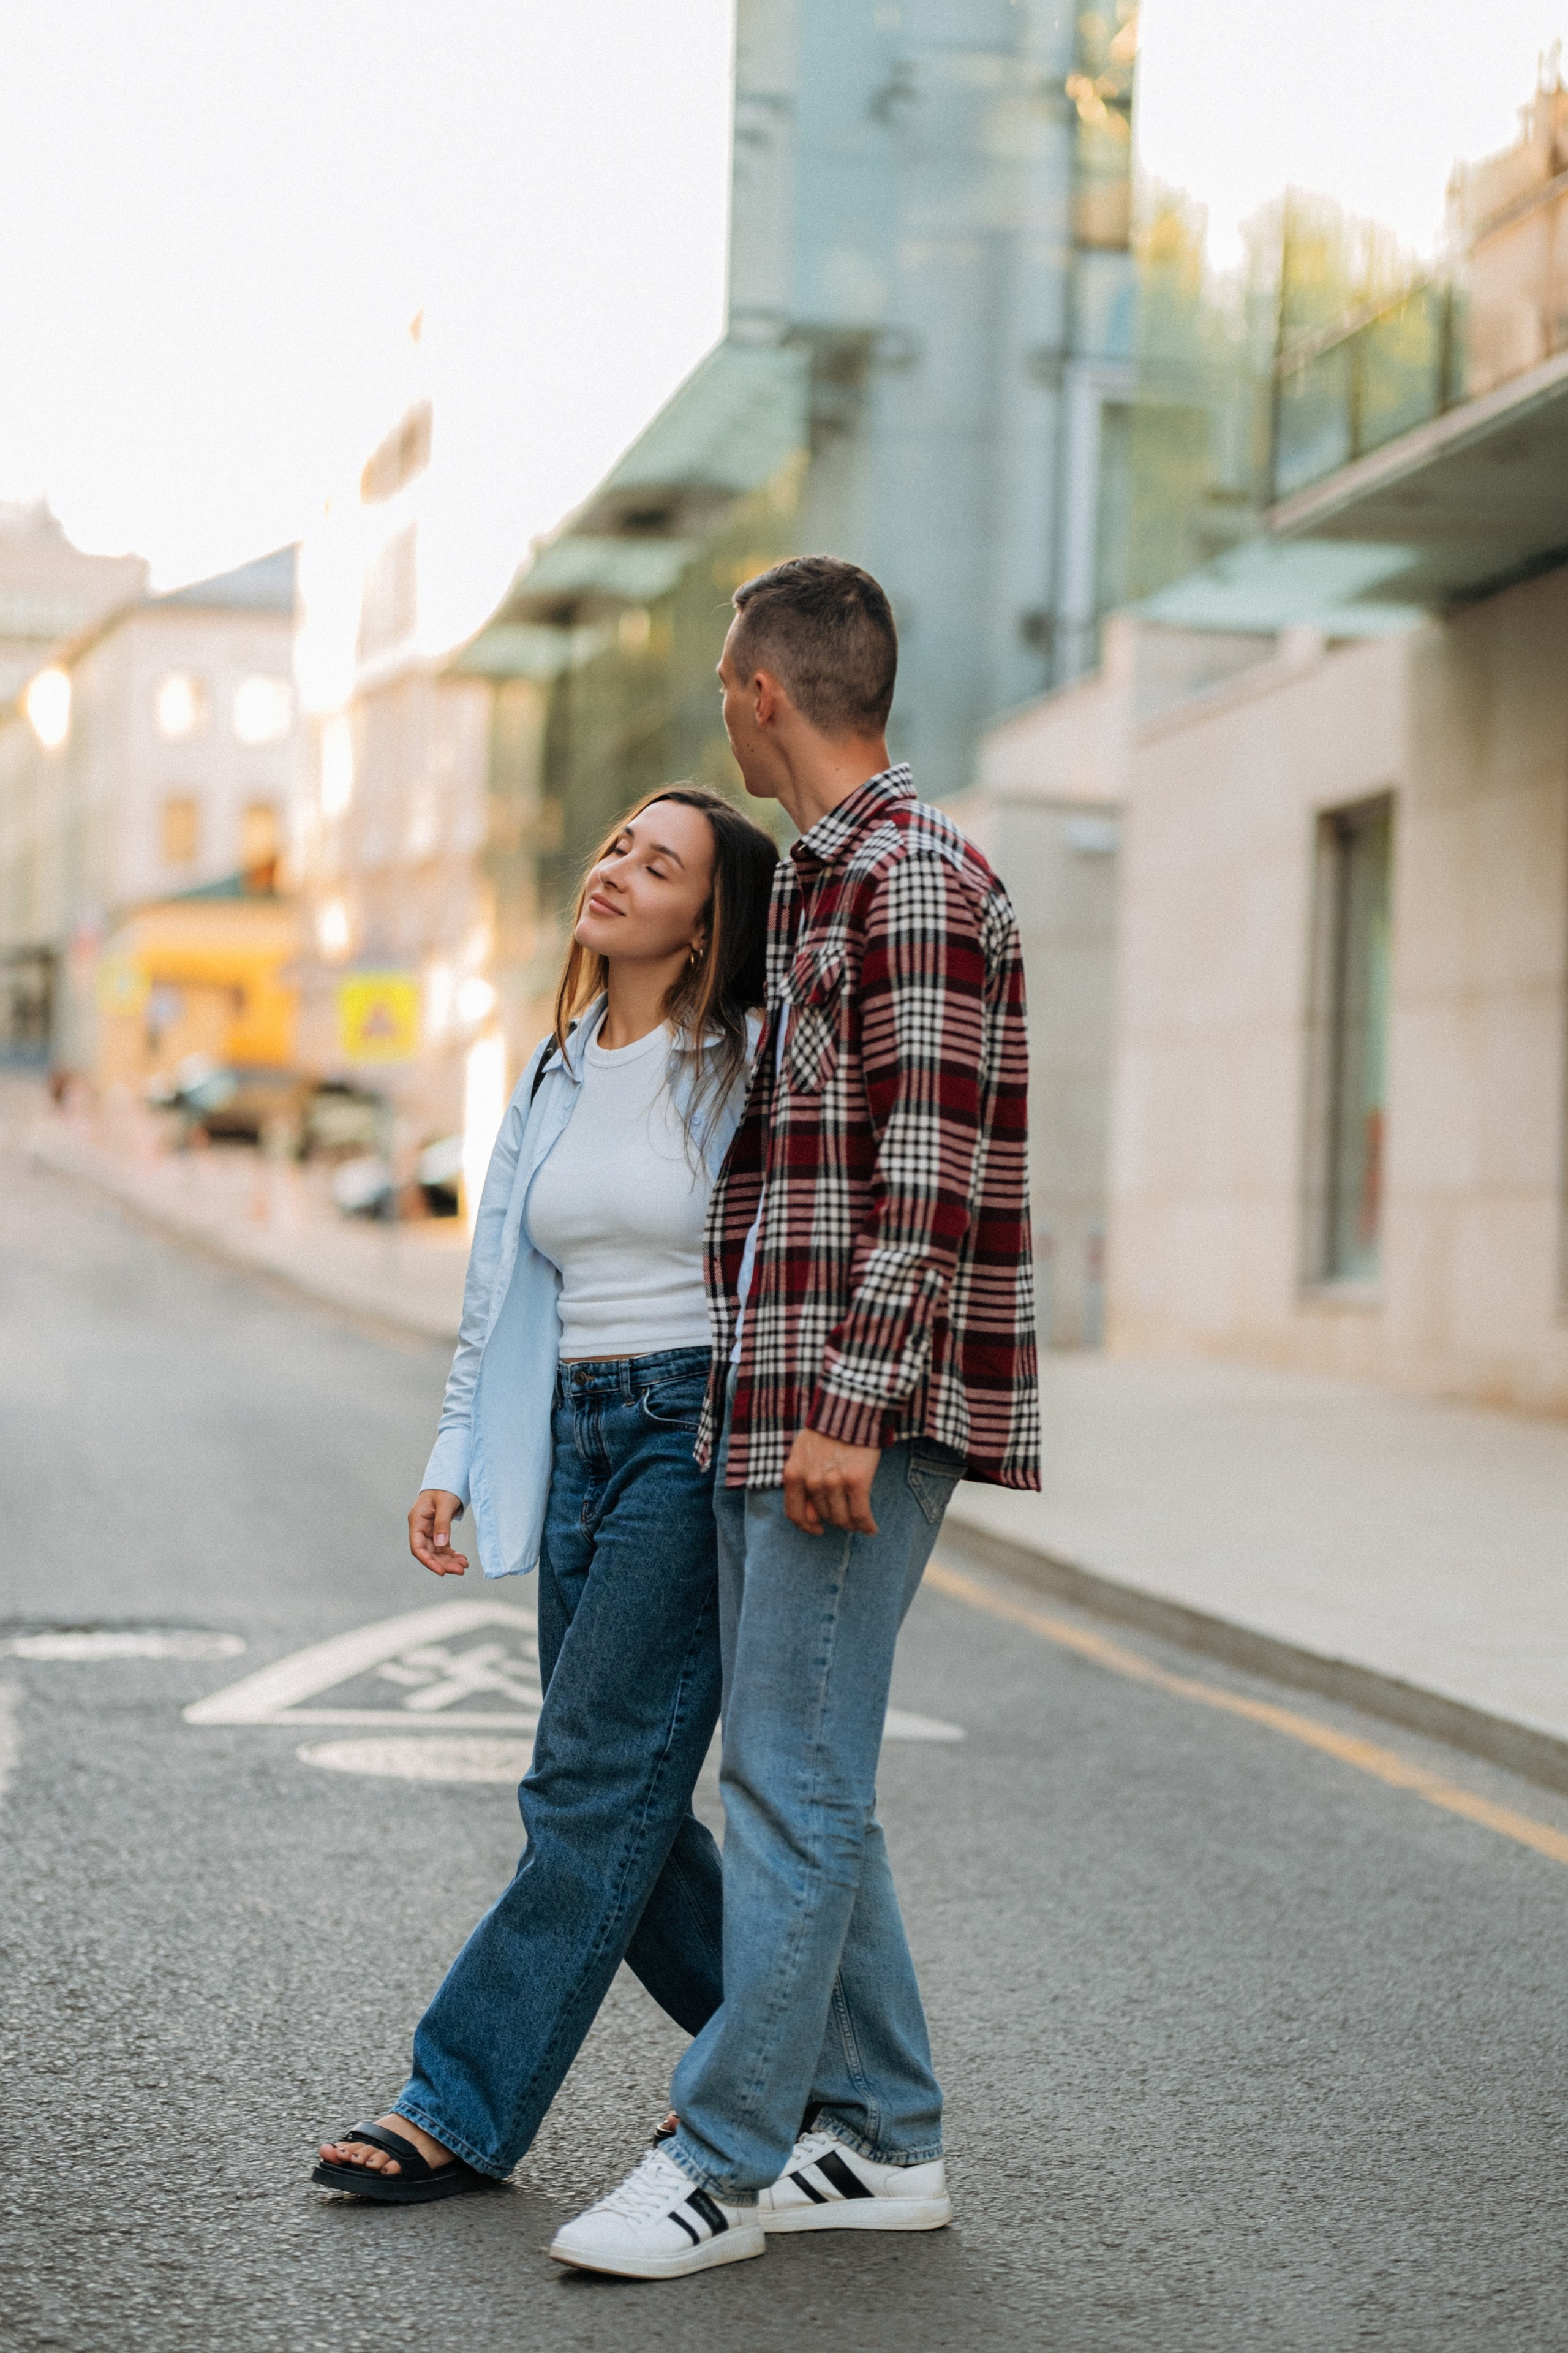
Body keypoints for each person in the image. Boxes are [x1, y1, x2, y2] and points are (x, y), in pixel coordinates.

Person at [548, 557, 1041, 2279]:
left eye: (721, 686)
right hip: (776, 1398)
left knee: (791, 1785)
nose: (722, 712)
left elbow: (929, 1173)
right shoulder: (830, 884)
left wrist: (852, 1403)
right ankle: (887, 2136)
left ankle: (724, 2160)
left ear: (765, 692)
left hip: (845, 1412)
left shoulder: (912, 880)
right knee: (803, 1775)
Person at [312, 784, 778, 2202]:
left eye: (660, 863)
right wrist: (453, 1451)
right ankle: (808, 2066)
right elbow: (500, 1284)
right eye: (618, 845)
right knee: (626, 1802)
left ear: (708, 922)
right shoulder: (559, 1065)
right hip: (573, 1432)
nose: (616, 869)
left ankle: (457, 2098)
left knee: (583, 1784)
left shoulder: (746, 1061)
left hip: (684, 1437)